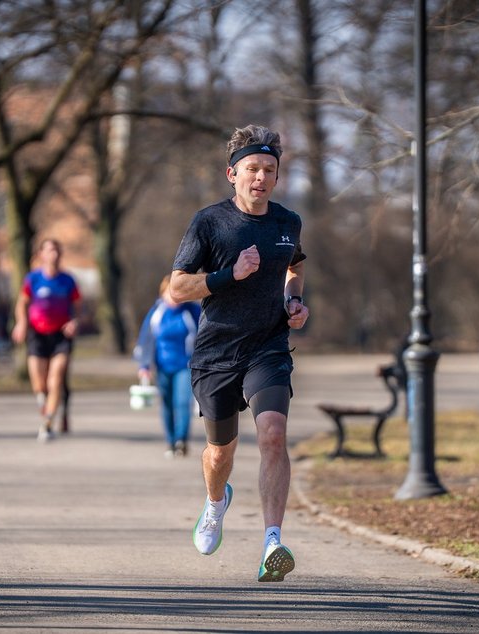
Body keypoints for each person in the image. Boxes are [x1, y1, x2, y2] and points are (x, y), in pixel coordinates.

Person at [169, 124, 309, 583]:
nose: (261, 177)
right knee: (219, 453)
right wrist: (231, 274)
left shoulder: (287, 222)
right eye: (252, 169)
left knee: (273, 433)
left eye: (269, 169)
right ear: (233, 173)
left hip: (267, 348)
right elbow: (178, 288)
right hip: (215, 353)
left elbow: (296, 265)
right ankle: (215, 502)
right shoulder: (209, 222)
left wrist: (292, 300)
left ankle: (273, 541)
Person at [11, 238, 81, 442]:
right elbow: (21, 304)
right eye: (50, 250)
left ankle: (48, 421)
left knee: (56, 378)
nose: (54, 254)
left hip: (61, 335)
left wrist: (74, 322)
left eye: (57, 250)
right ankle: (44, 402)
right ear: (41, 254)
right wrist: (21, 323)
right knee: (39, 383)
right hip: (37, 334)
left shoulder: (68, 280)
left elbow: (78, 307)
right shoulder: (32, 279)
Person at [133, 274, 202, 458]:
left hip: (185, 365)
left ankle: (181, 440)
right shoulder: (157, 312)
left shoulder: (192, 312)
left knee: (182, 402)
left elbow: (204, 336)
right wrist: (144, 365)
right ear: (162, 294)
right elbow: (146, 340)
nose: (174, 298)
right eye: (170, 293)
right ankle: (170, 441)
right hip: (162, 366)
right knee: (166, 404)